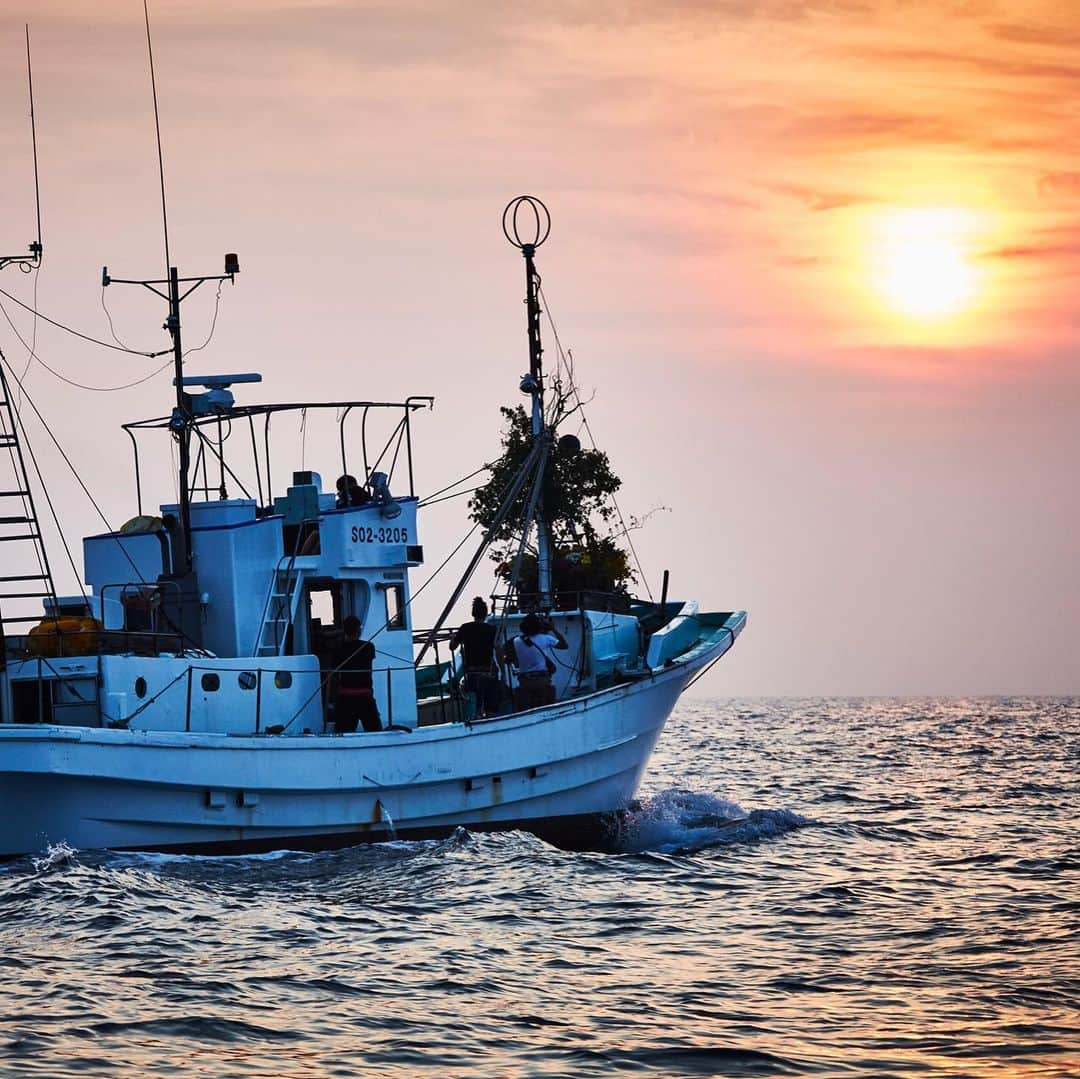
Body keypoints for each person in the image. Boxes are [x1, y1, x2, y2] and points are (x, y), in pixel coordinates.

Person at [450, 597, 500, 717]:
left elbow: (452, 647)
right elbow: (498, 649)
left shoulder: (465, 628)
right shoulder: (492, 629)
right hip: (487, 671)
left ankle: (475, 714)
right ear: (485, 613)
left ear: (473, 613)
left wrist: (453, 637)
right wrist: (502, 669)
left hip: (471, 672)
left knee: (473, 699)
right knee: (490, 706)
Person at [330, 615, 381, 733]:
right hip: (365, 697)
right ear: (358, 630)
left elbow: (335, 673)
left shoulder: (338, 649)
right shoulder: (368, 647)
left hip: (345, 698)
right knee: (375, 732)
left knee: (343, 733)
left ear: (344, 631)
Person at [511, 613, 568, 711]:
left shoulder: (516, 641)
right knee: (545, 710)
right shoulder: (546, 639)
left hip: (524, 682)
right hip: (542, 681)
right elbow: (564, 645)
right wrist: (552, 628)